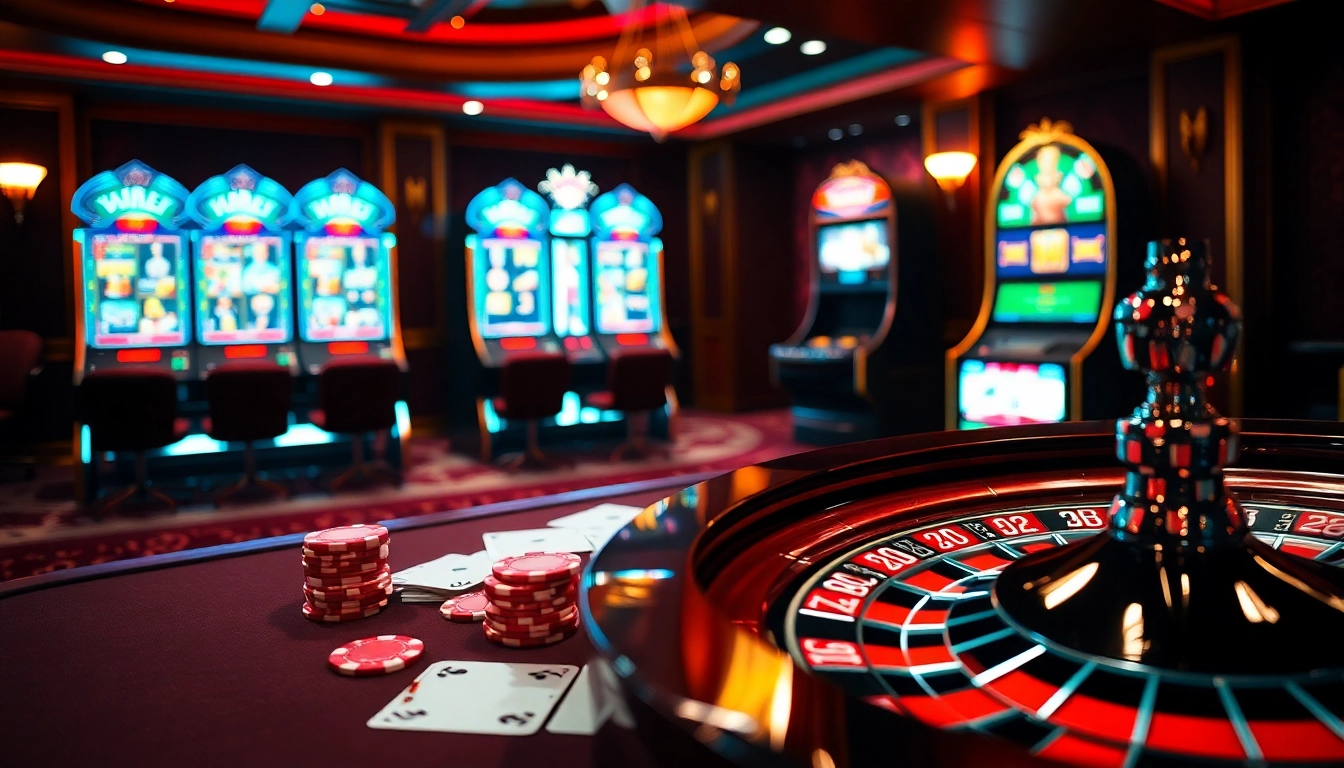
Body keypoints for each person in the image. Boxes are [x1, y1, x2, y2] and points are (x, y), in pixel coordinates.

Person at [1029, 145, 1074, 225]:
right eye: (1045, 159)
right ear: (1039, 160)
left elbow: (1069, 201)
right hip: (1038, 231)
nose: (1049, 163)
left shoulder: (1065, 180)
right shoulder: (1030, 181)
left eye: (1053, 159)